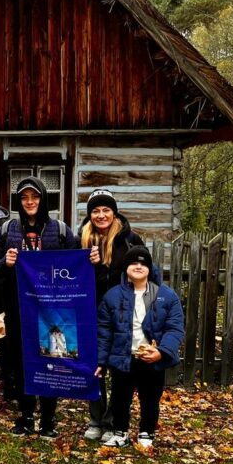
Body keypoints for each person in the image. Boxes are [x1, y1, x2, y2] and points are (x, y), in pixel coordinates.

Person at [0, 176, 78, 439]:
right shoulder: (8, 230)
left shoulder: (59, 230)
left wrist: (91, 260)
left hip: (53, 310)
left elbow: (75, 264)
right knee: (21, 362)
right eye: (24, 198)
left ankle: (48, 419)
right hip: (18, 308)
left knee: (52, 359)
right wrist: (5, 262)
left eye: (35, 196)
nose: (30, 202)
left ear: (43, 199)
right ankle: (26, 416)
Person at [96, 246, 184, 449]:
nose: (138, 266)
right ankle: (120, 432)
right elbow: (104, 331)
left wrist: (161, 352)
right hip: (123, 357)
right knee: (120, 398)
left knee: (150, 398)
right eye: (133, 263)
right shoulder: (112, 296)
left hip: (151, 359)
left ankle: (146, 432)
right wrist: (101, 360)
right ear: (125, 268)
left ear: (150, 268)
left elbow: (175, 328)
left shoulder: (166, 296)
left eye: (143, 264)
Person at [80, 189, 145, 441]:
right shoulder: (82, 239)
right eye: (95, 211)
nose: (101, 215)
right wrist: (92, 265)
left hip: (122, 315)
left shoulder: (130, 240)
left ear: (114, 213)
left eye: (106, 210)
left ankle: (112, 421)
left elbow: (142, 273)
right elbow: (76, 277)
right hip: (90, 313)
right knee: (94, 369)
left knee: (119, 371)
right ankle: (95, 419)